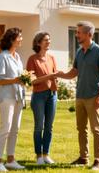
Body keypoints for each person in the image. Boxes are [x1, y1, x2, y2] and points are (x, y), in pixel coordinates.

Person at [57, 21, 99, 171]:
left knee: (96, 130)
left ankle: (98, 161)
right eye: (77, 32)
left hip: (93, 96)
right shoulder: (80, 52)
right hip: (80, 96)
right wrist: (62, 75)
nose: (77, 35)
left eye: (79, 32)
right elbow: (74, 72)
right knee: (81, 129)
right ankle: (83, 157)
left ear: (89, 34)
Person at [0, 28, 27, 171]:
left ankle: (10, 160)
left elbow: (20, 77)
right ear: (12, 39)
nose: (21, 39)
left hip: (18, 96)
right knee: (5, 128)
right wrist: (16, 79)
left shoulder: (17, 57)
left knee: (15, 129)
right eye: (19, 37)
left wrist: (25, 80)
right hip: (7, 97)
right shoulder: (3, 57)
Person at [26, 32, 61, 165]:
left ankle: (46, 154)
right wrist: (49, 76)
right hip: (39, 96)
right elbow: (32, 81)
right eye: (46, 40)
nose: (49, 42)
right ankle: (38, 156)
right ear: (38, 43)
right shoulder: (32, 59)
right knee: (38, 127)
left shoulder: (52, 58)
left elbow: (54, 75)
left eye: (49, 39)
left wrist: (55, 78)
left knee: (49, 127)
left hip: (52, 95)